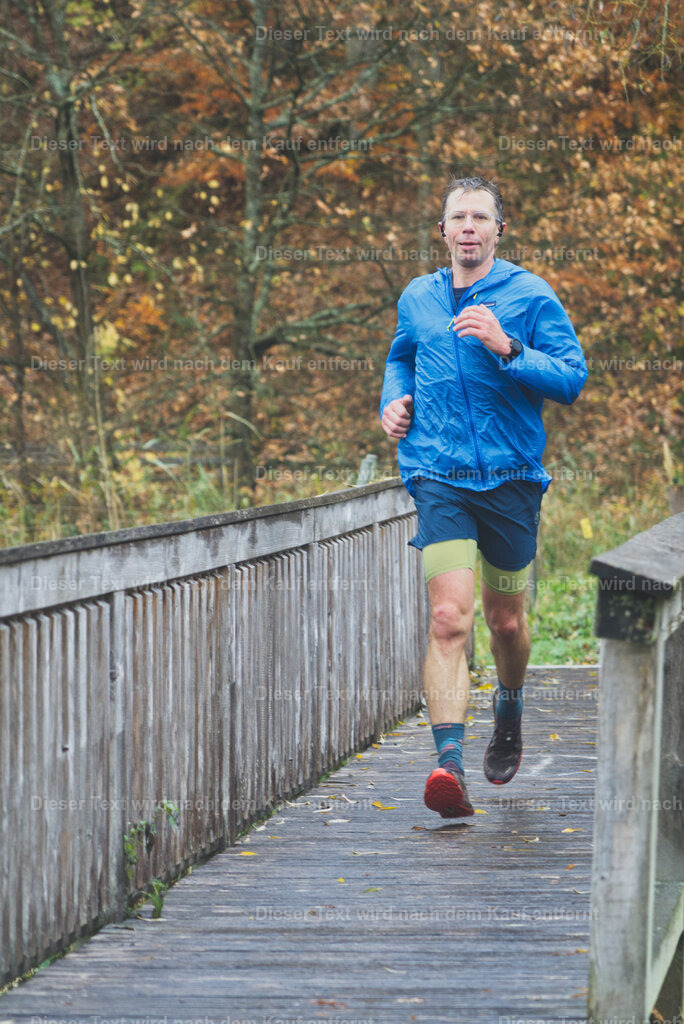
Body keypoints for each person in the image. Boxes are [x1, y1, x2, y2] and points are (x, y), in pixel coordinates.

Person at [379, 175, 588, 818]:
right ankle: (449, 766)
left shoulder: (529, 295)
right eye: (457, 218)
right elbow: (401, 356)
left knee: (506, 621)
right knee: (449, 618)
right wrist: (393, 402)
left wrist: (507, 346)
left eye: (480, 217)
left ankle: (511, 702)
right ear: (441, 232)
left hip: (511, 479)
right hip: (439, 475)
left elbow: (571, 377)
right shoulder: (418, 297)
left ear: (499, 229)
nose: (468, 227)